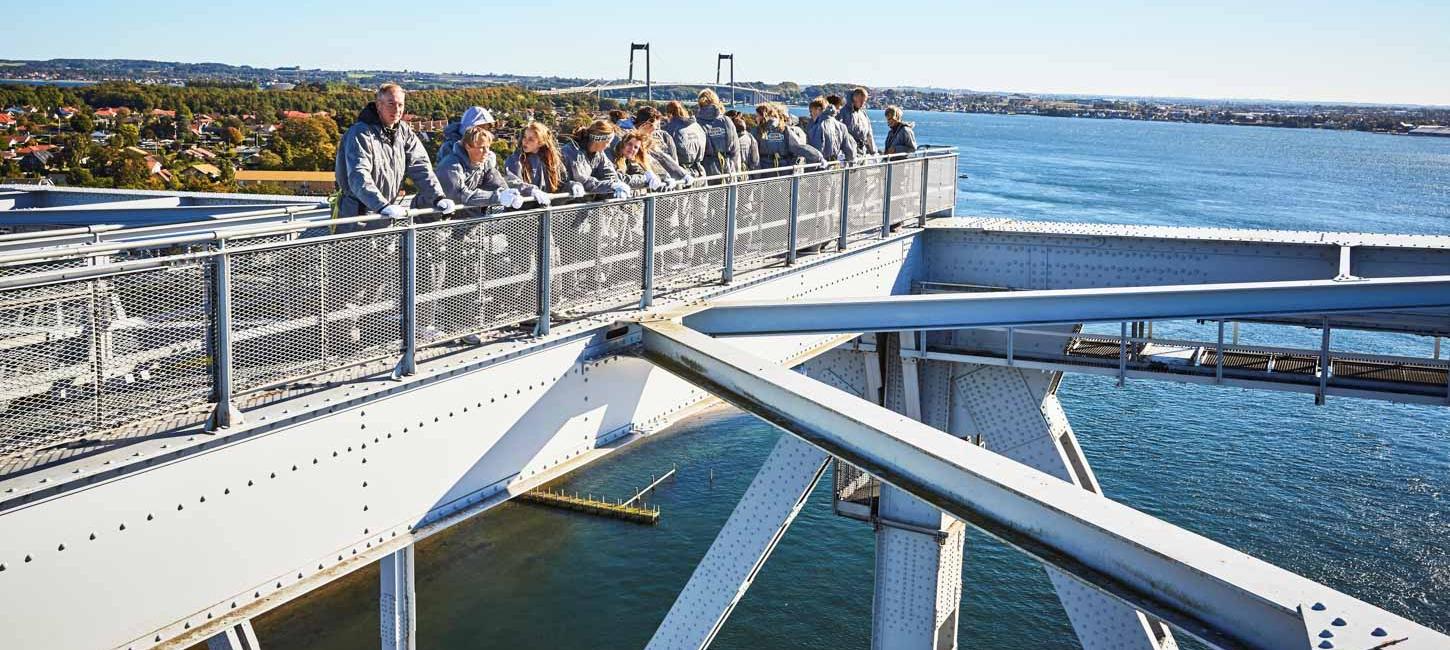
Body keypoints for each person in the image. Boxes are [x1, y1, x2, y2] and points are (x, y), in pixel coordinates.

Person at [334, 83, 455, 224]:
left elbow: (420, 167)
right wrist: (381, 206)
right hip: (358, 216)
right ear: (379, 105)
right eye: (391, 104)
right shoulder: (360, 133)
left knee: (387, 246)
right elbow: (358, 175)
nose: (397, 110)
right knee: (358, 247)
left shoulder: (403, 131)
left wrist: (438, 197)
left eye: (400, 105)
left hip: (387, 213)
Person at [434, 123, 524, 213]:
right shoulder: (450, 165)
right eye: (481, 147)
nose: (487, 152)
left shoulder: (485, 163)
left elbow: (496, 183)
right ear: (468, 146)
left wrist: (510, 194)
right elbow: (459, 195)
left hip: (466, 220)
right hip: (435, 221)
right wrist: (498, 197)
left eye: (488, 147)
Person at [505, 121, 581, 206]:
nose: (525, 142)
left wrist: (572, 186)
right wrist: (531, 191)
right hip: (522, 215)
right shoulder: (515, 159)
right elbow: (512, 182)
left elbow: (560, 184)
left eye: (531, 139)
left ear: (541, 143)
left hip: (546, 213)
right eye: (524, 137)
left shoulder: (551, 161)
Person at [562, 119, 631, 199]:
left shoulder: (599, 154)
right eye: (608, 142)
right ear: (600, 140)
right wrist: (610, 185)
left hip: (586, 202)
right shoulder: (572, 152)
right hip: (567, 203)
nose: (608, 146)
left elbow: (609, 174)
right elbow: (584, 182)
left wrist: (616, 184)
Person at [753, 103, 822, 173]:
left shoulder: (757, 131)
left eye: (757, 116)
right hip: (784, 170)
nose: (756, 118)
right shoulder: (785, 129)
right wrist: (818, 157)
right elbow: (799, 147)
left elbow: (753, 154)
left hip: (765, 171)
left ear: (763, 115)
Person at [695, 89, 740, 179]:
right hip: (728, 169)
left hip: (708, 171)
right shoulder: (727, 121)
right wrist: (737, 172)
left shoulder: (697, 123)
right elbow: (736, 149)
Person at [662, 100, 708, 180]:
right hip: (700, 170)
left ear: (669, 114)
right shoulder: (697, 126)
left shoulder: (670, 129)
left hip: (682, 173)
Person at [806, 97, 855, 165]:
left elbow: (815, 151)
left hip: (820, 167)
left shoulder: (818, 127)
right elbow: (849, 151)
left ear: (819, 110)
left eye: (811, 111)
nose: (810, 114)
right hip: (835, 164)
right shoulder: (842, 127)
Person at [839, 86, 878, 156]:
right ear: (854, 98)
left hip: (863, 152)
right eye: (861, 101)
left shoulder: (863, 114)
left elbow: (869, 134)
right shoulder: (842, 113)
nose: (863, 104)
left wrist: (873, 152)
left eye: (864, 101)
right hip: (848, 154)